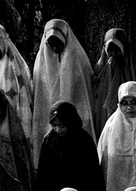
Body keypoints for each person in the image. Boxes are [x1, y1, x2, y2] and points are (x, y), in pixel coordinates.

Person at [35, 102, 106, 191]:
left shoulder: (84, 140)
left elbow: (93, 173)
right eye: (54, 125)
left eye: (62, 125)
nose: (58, 129)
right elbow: (43, 174)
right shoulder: (49, 140)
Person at [32, 18, 95, 157]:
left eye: (58, 44)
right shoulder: (41, 62)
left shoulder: (79, 61)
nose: (55, 48)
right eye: (51, 44)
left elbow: (84, 94)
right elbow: (39, 93)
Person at [92, 28, 136, 132]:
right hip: (106, 114)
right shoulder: (102, 65)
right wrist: (109, 71)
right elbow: (95, 90)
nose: (113, 54)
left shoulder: (135, 67)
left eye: (117, 50)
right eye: (110, 50)